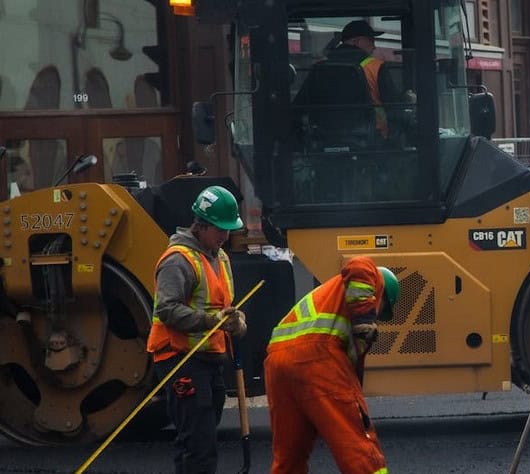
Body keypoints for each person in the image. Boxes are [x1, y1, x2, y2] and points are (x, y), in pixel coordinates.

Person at [264, 256, 399, 474]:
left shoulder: (328, 299)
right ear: (380, 294)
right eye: (382, 310)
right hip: (317, 357)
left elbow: (352, 372)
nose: (378, 316)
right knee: (356, 443)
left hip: (277, 361)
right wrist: (365, 316)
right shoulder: (374, 278)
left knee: (289, 454)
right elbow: (359, 264)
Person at [146, 185, 247, 474]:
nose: (226, 236)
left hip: (207, 357)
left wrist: (234, 319)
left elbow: (221, 304)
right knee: (199, 443)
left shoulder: (220, 256)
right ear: (200, 225)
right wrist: (211, 321)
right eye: (220, 229)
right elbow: (166, 310)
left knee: (200, 434)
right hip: (179, 358)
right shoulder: (178, 260)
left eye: (229, 229)